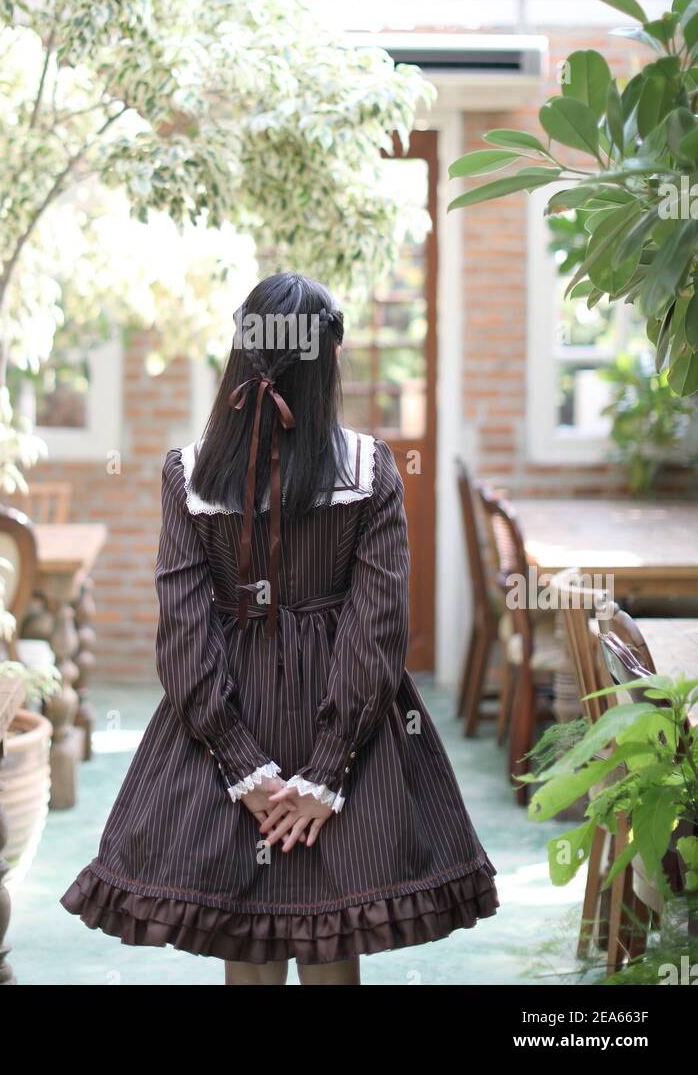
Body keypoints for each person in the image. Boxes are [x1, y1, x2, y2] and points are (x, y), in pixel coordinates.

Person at [62, 272, 498, 984]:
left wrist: (241, 765)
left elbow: (183, 630)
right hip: (348, 721)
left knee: (249, 932)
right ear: (326, 361)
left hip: (227, 716)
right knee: (334, 928)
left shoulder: (192, 473)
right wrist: (328, 770)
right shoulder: (369, 467)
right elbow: (378, 628)